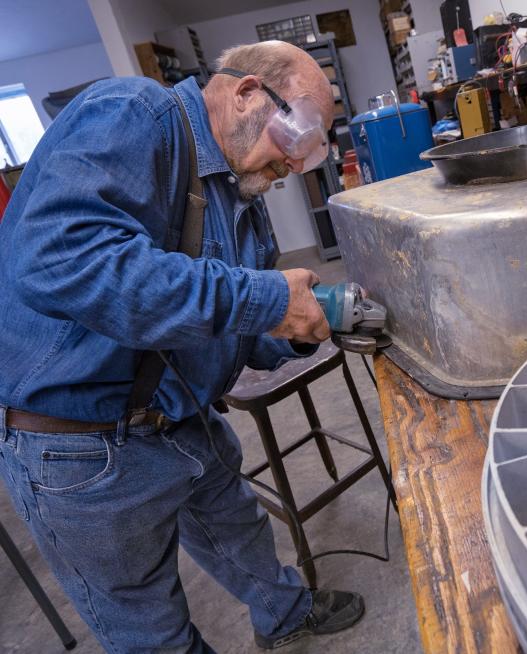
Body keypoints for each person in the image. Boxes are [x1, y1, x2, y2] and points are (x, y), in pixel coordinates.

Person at [0, 41, 364, 652]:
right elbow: (63, 260)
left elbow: (237, 328)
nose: (298, 165)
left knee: (238, 527)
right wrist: (269, 301)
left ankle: (284, 613)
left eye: (314, 148)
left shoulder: (241, 198)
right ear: (247, 92)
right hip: (83, 447)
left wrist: (308, 328)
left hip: (182, 414)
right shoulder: (135, 113)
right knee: (149, 625)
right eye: (298, 135)